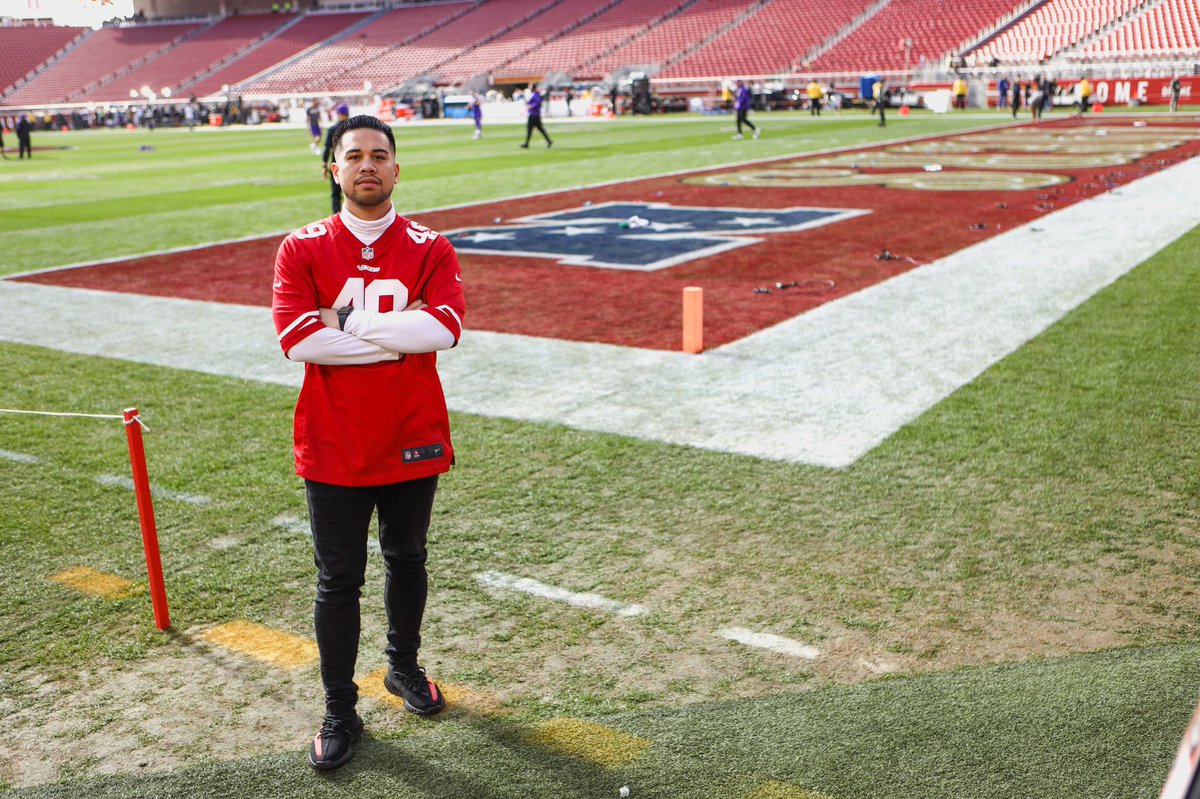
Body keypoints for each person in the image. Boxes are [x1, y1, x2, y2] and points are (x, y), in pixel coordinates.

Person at [272, 114, 466, 772]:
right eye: (353, 155)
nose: (367, 165)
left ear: (396, 168)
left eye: (379, 155)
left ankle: (403, 667)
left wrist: (348, 319)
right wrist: (394, 332)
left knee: (408, 557)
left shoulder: (430, 246)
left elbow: (441, 330)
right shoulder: (301, 248)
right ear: (334, 168)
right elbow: (299, 341)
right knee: (339, 579)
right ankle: (338, 705)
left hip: (412, 436)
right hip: (332, 443)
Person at [321, 104, 351, 212]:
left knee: (335, 194)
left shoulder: (332, 129)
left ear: (338, 114)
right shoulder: (353, 129)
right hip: (353, 164)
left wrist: (324, 164)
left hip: (337, 165)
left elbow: (327, 149)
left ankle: (337, 220)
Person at [520, 83, 552, 149]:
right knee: (539, 129)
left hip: (533, 115)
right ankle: (548, 141)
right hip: (534, 114)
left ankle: (526, 143)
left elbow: (537, 102)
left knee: (530, 129)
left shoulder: (536, 94)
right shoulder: (534, 94)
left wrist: (531, 106)